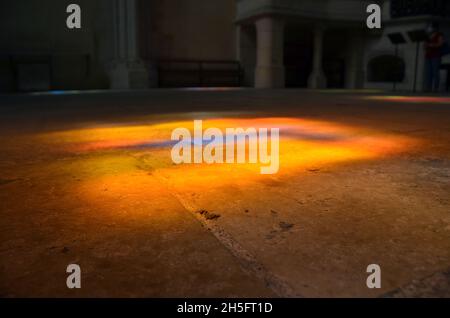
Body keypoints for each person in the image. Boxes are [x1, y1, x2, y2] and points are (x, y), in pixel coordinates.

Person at [424, 22, 444, 92]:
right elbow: (425, 45)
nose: (429, 28)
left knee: (435, 72)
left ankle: (436, 88)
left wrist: (431, 45)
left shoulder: (439, 35)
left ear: (435, 28)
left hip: (436, 56)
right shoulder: (428, 35)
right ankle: (428, 88)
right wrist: (426, 46)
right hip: (428, 55)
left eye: (431, 27)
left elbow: (440, 44)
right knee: (428, 72)